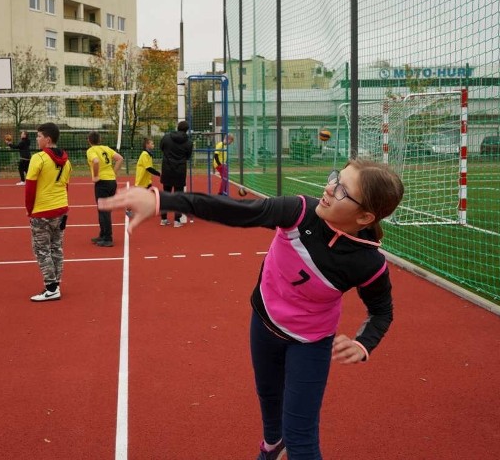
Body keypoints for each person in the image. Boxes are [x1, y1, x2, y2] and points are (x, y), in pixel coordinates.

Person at [98, 158, 404, 460]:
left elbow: (382, 311)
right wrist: (162, 199)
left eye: (341, 190)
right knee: (270, 405)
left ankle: (283, 444)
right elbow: (237, 211)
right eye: (335, 178)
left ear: (364, 218)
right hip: (264, 323)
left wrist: (364, 343)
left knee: (302, 438)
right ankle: (272, 446)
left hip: (311, 343)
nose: (328, 187)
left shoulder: (367, 263)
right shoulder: (298, 211)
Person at [25, 122, 71, 302]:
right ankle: (55, 283)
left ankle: (51, 288)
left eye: (38, 136)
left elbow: (30, 188)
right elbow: (65, 186)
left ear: (48, 139)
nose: (36, 139)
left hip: (42, 210)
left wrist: (30, 210)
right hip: (61, 208)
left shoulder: (39, 158)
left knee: (41, 249)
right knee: (56, 247)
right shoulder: (67, 161)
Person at [86, 131, 123, 247]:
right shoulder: (106, 148)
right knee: (103, 210)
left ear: (89, 140)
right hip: (112, 181)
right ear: (100, 139)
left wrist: (96, 175)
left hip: (102, 182)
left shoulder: (91, 151)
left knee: (104, 211)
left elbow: (96, 161)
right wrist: (114, 172)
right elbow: (120, 158)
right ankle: (102, 234)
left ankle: (108, 238)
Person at [159, 120, 193, 227]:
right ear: (186, 130)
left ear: (177, 127)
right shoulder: (189, 142)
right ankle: (177, 221)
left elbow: (161, 148)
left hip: (167, 169)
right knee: (178, 196)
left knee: (166, 194)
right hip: (180, 170)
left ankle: (163, 219)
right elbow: (188, 156)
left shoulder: (166, 137)